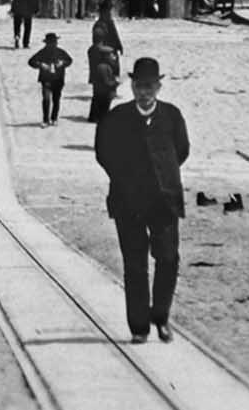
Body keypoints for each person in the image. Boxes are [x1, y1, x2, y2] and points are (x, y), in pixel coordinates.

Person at [95, 57, 189, 345]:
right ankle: (139, 327)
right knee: (135, 264)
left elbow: (181, 151)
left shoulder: (172, 116)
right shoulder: (116, 117)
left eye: (149, 86)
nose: (144, 92)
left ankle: (160, 317)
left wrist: (165, 176)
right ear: (132, 86)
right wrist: (126, 179)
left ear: (158, 87)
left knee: (168, 259)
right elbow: (103, 153)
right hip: (128, 202)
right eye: (138, 86)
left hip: (164, 201)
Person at [27, 33, 73, 126]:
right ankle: (45, 120)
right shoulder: (42, 52)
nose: (54, 44)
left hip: (58, 79)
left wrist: (62, 63)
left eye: (54, 42)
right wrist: (40, 65)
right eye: (51, 43)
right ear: (47, 43)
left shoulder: (61, 52)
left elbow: (69, 60)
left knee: (56, 99)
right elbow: (31, 61)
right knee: (46, 99)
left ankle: (54, 118)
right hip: (46, 79)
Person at [90, 0, 124, 80]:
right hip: (104, 53)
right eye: (107, 12)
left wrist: (119, 46)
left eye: (109, 12)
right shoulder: (99, 25)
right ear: (102, 13)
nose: (109, 14)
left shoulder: (110, 23)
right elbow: (97, 41)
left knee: (114, 69)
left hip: (112, 50)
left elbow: (115, 35)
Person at [88, 40, 120, 123]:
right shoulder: (103, 67)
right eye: (110, 55)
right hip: (103, 92)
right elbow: (106, 82)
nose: (113, 57)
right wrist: (115, 83)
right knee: (102, 107)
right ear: (106, 56)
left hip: (101, 92)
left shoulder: (104, 65)